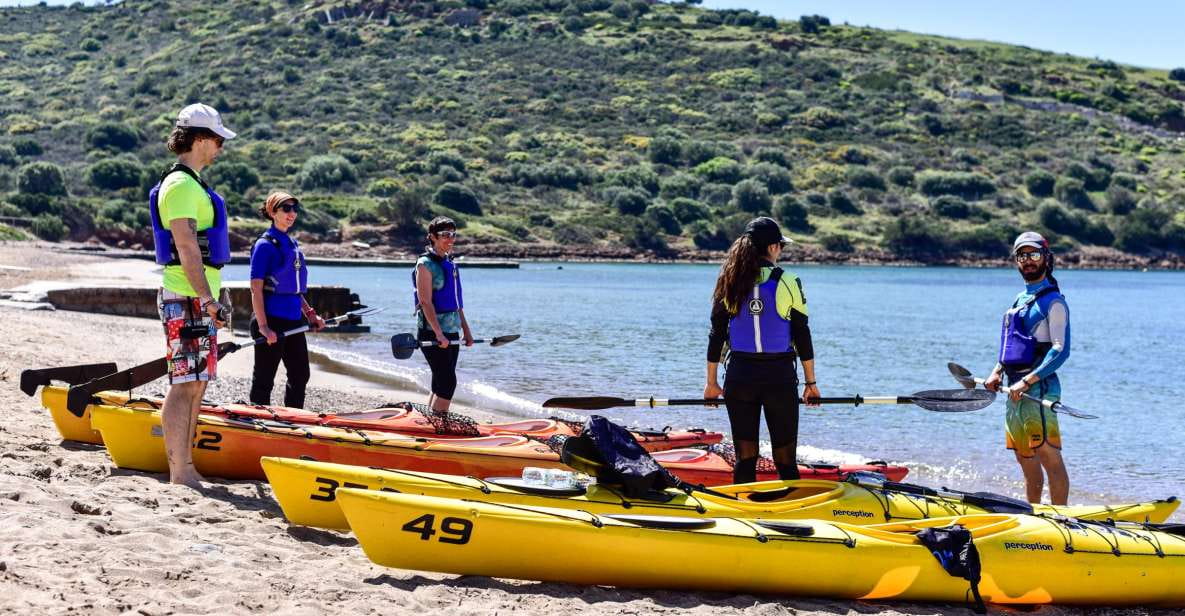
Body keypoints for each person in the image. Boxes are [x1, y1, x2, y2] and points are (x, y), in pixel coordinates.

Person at [148, 103, 236, 489]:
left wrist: (214, 295)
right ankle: (179, 471)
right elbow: (186, 247)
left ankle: (186, 465)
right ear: (200, 139)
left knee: (197, 382)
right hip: (186, 297)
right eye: (217, 140)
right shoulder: (181, 185)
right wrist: (207, 300)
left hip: (196, 297)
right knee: (185, 382)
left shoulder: (192, 184)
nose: (220, 147)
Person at [703, 217, 819, 484]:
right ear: (772, 247)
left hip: (740, 377)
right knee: (785, 460)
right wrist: (811, 384)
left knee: (745, 458)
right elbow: (802, 334)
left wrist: (711, 383)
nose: (781, 251)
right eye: (781, 246)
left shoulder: (729, 281)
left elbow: (716, 335)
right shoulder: (788, 280)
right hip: (778, 378)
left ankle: (743, 506)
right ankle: (789, 506)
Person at [984, 231, 1071, 505]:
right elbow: (1011, 346)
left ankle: (1062, 519)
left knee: (1048, 455)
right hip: (1014, 390)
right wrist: (996, 371)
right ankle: (1033, 514)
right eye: (1022, 256)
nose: (1028, 261)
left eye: (1033, 254)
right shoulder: (1019, 299)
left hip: (1038, 390)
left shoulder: (1054, 302)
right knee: (1025, 458)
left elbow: (1060, 350)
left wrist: (1028, 381)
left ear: (1046, 258)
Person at [248, 191, 326, 408]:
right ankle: (257, 415)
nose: (292, 213)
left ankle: (293, 416)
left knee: (300, 374)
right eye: (286, 208)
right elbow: (255, 289)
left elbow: (293, 288)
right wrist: (264, 327)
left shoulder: (291, 243)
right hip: (271, 319)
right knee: (265, 378)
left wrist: (310, 314)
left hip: (293, 320)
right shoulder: (264, 245)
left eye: (295, 209)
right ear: (273, 212)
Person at [413, 216, 473, 412]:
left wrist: (466, 330)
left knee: (440, 380)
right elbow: (425, 302)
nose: (450, 238)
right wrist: (438, 333)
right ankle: (440, 422)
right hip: (432, 332)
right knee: (447, 382)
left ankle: (431, 420)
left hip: (452, 330)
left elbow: (457, 302)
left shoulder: (449, 263)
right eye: (445, 234)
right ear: (432, 237)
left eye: (453, 234)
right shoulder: (425, 264)